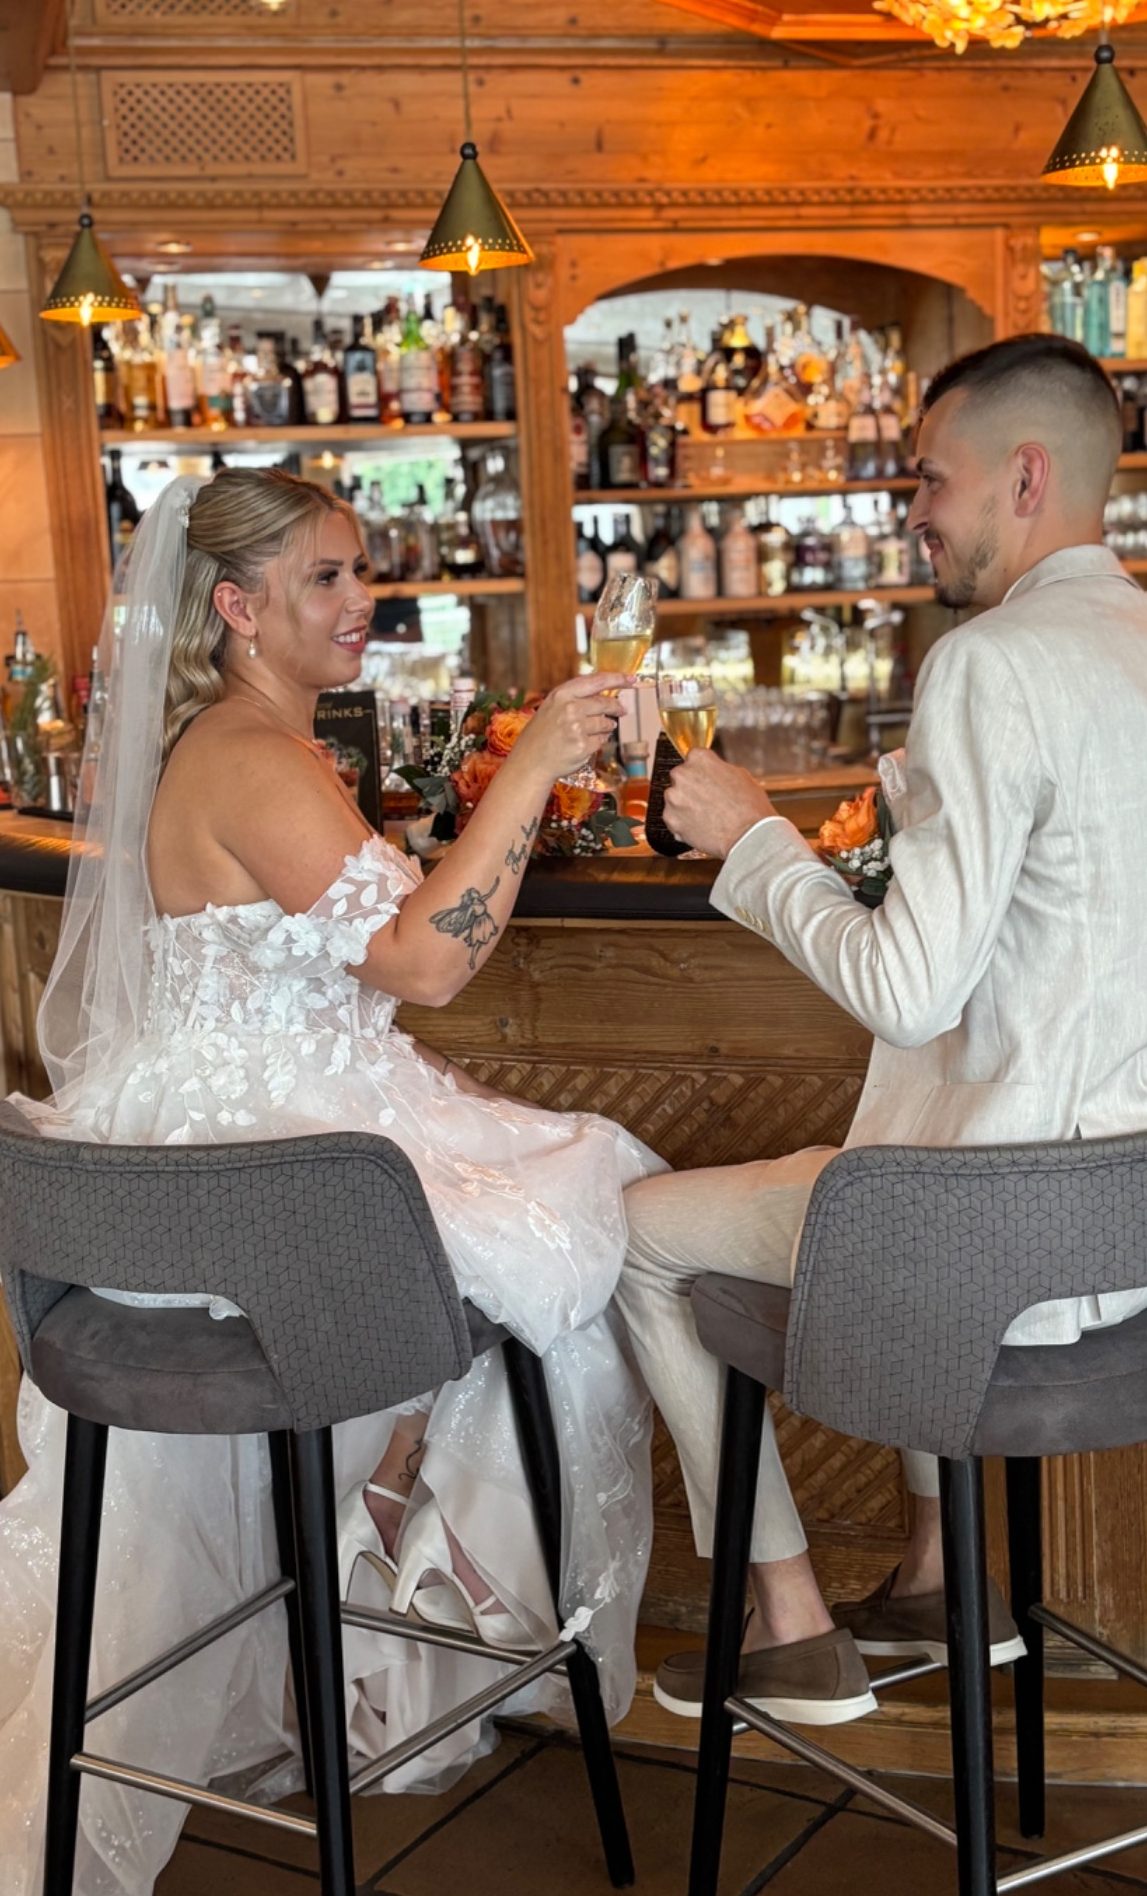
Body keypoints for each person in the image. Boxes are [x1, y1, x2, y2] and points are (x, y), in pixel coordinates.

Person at [0, 466, 666, 1896]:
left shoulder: (252, 742)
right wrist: (538, 761)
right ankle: (405, 1558)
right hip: (272, 1181)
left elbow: (349, 923)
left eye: (362, 570)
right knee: (586, 1211)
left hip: (225, 1161)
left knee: (554, 1206)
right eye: (327, 578)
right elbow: (424, 965)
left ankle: (391, 1544)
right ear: (238, 608)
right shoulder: (252, 756)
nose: (364, 600)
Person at [617, 333, 1147, 1727]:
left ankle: (787, 1620)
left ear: (1023, 479)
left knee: (635, 1235)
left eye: (928, 479)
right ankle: (932, 1576)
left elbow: (909, 991)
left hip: (982, 1245)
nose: (911, 510)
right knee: (884, 1150)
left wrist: (756, 839)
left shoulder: (989, 662)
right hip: (1125, 1239)